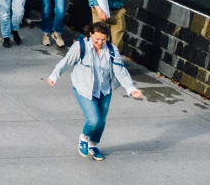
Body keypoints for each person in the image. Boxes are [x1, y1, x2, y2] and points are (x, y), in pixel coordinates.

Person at [47, 20, 143, 160]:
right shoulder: (80, 46)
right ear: (91, 33)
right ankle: (84, 138)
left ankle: (93, 144)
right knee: (94, 120)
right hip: (84, 88)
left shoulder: (111, 49)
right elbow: (67, 61)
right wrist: (54, 76)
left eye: (103, 39)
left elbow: (120, 69)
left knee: (101, 122)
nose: (100, 42)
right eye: (97, 38)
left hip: (104, 89)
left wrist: (131, 88)